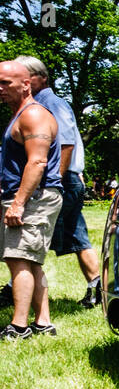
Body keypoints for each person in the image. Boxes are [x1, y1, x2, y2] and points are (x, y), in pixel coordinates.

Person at [16, 56, 102, 309]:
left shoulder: (51, 104)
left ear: (41, 78)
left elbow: (66, 143)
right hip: (66, 179)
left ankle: (17, 291)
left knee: (31, 233)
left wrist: (56, 180)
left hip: (58, 180)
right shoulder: (40, 104)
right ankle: (97, 289)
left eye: (26, 77)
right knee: (76, 236)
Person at [0, 60, 63, 339]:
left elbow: (37, 162)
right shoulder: (20, 114)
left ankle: (19, 326)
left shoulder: (33, 115)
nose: (0, 89)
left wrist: (19, 202)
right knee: (30, 260)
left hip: (33, 197)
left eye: (5, 83)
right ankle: (42, 322)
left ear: (26, 85)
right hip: (28, 196)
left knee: (19, 259)